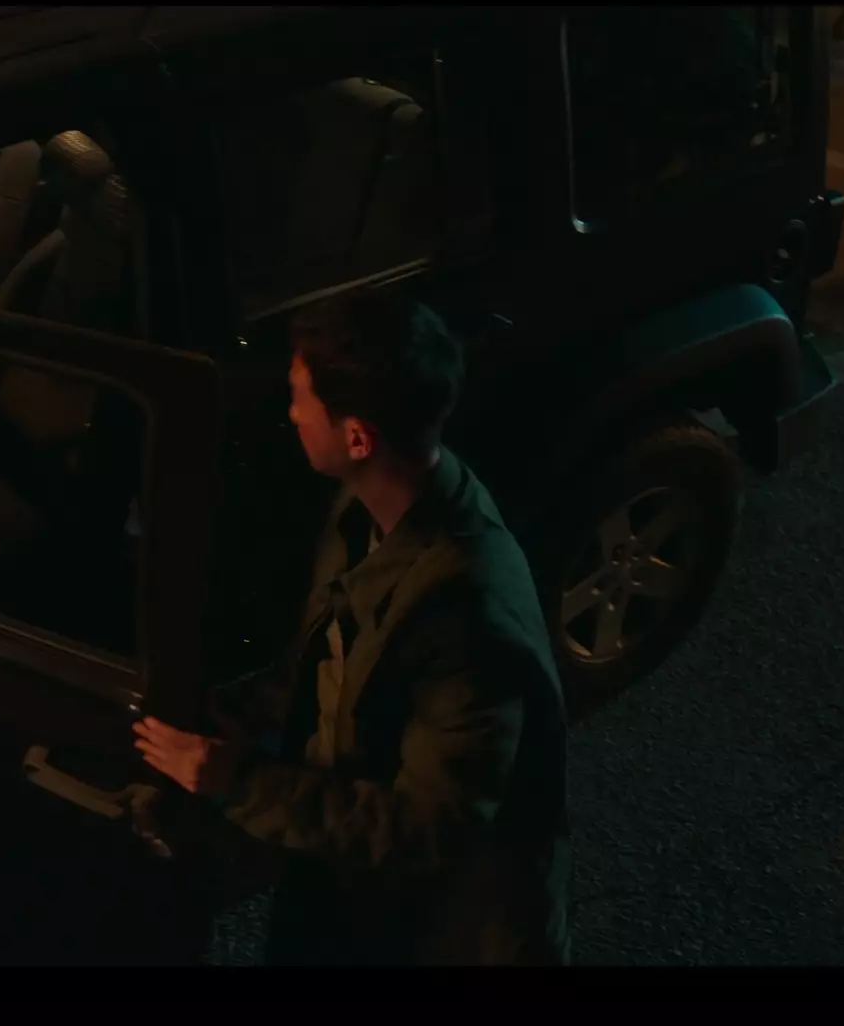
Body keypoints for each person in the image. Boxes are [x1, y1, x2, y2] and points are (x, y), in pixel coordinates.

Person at [133, 294, 571, 966]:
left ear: (358, 437)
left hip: (436, 935)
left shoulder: (466, 609)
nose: (291, 414)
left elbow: (428, 828)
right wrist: (249, 709)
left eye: (300, 398)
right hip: (355, 892)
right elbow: (335, 660)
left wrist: (237, 780)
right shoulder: (373, 505)